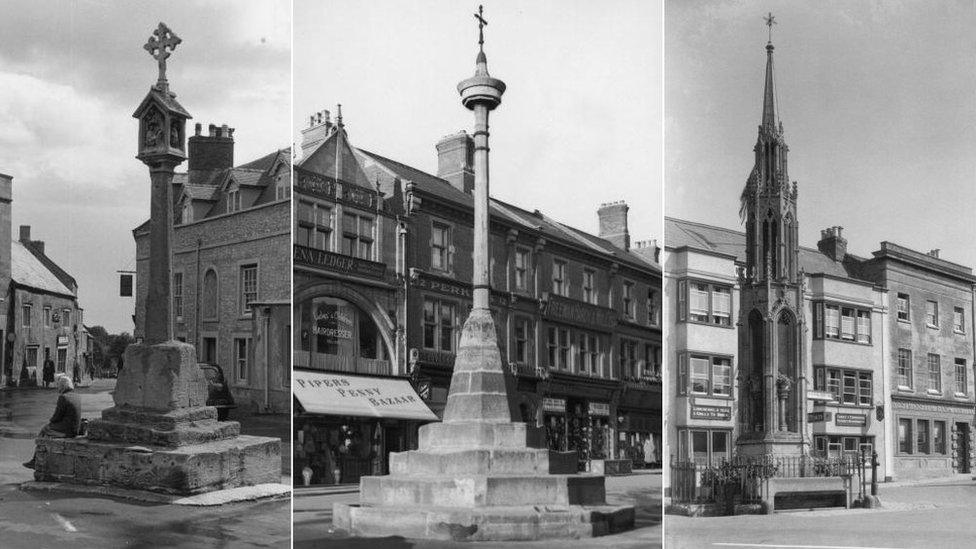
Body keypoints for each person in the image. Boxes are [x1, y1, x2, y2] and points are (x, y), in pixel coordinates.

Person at [23, 374, 83, 469]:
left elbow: (56, 417)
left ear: (63, 386)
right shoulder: (77, 396)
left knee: (44, 430)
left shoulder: (63, 397)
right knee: (46, 431)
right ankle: (36, 459)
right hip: (75, 429)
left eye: (58, 385)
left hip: (67, 431)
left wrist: (50, 423)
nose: (57, 387)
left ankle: (35, 460)